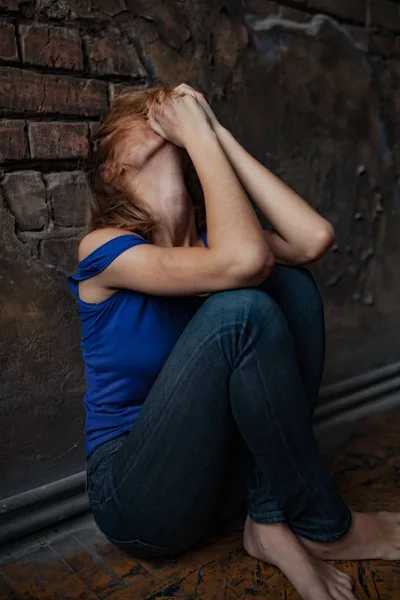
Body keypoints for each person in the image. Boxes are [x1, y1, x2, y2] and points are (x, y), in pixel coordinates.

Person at [68, 83, 400, 600]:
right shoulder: (106, 247)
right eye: (141, 113)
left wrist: (214, 134)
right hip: (137, 498)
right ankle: (323, 522)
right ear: (113, 169)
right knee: (239, 307)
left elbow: (313, 240)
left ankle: (267, 521)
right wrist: (198, 139)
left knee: (292, 286)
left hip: (221, 480)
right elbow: (243, 264)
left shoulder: (213, 238)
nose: (162, 112)